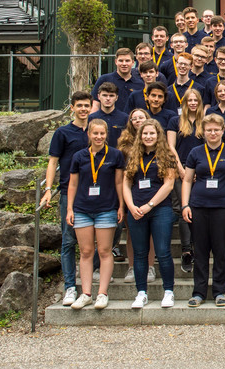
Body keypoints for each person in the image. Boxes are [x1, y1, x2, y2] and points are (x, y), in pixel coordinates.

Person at [181, 114, 225, 307]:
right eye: (209, 130)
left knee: (221, 250)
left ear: (223, 131)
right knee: (200, 251)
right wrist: (185, 205)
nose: (213, 133)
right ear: (203, 132)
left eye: (216, 129)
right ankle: (198, 292)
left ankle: (220, 291)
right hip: (198, 206)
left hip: (224, 207)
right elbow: (187, 180)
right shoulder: (196, 152)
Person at [66, 119, 125, 310]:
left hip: (106, 208)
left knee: (105, 251)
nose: (99, 137)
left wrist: (121, 206)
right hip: (82, 209)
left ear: (107, 135)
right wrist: (69, 209)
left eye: (102, 134)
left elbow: (119, 183)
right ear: (89, 134)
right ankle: (86, 293)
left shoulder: (115, 155)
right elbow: (72, 184)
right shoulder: (79, 156)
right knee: (85, 252)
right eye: (95, 133)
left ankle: (102, 293)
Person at [41, 91, 91, 307]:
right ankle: (70, 286)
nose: (83, 109)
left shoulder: (96, 130)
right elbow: (53, 162)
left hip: (95, 192)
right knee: (69, 240)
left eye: (86, 105)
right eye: (79, 105)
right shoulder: (62, 132)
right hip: (67, 192)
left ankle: (90, 278)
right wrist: (48, 189)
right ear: (72, 107)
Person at [122, 119, 177, 309]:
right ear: (140, 135)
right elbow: (126, 184)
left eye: (152, 133)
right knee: (139, 254)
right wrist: (131, 206)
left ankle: (168, 291)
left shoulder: (166, 155)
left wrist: (149, 205)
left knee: (163, 252)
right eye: (145, 133)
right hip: (136, 211)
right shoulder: (133, 156)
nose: (148, 136)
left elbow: (169, 184)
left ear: (158, 135)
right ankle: (141, 293)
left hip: (160, 209)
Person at [166, 88, 205, 274]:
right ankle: (186, 250)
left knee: (198, 209)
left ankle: (198, 247)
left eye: (195, 100)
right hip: (180, 168)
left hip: (201, 171)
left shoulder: (204, 122)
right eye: (189, 100)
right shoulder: (175, 121)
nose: (192, 103)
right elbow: (170, 147)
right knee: (183, 208)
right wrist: (182, 170)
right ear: (184, 102)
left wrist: (199, 169)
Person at [91, 48, 145, 113]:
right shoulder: (104, 79)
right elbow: (95, 104)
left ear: (133, 63)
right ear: (116, 62)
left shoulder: (140, 84)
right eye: (121, 61)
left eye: (127, 61)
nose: (124, 64)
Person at [89, 82, 128, 148]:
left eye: (111, 96)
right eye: (104, 95)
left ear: (116, 98)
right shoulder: (91, 118)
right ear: (98, 97)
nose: (108, 98)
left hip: (119, 156)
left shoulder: (125, 118)